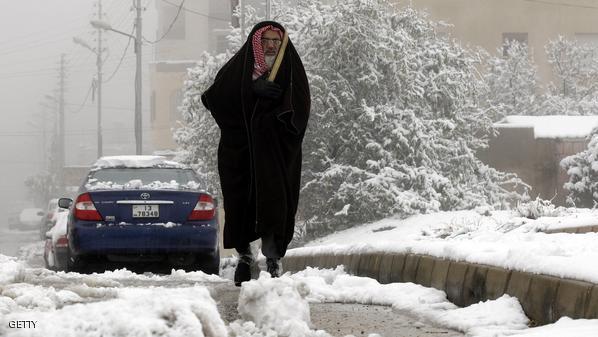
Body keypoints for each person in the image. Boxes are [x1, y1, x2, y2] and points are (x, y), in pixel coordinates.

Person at [201, 21, 310, 286]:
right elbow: (214, 97)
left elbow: (301, 105)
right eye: (266, 41)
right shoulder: (239, 70)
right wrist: (250, 90)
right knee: (240, 205)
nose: (271, 46)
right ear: (256, 43)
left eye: (276, 41)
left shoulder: (290, 70)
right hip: (240, 154)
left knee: (275, 204)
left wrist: (279, 115)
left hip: (275, 154)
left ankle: (273, 258)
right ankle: (245, 258)